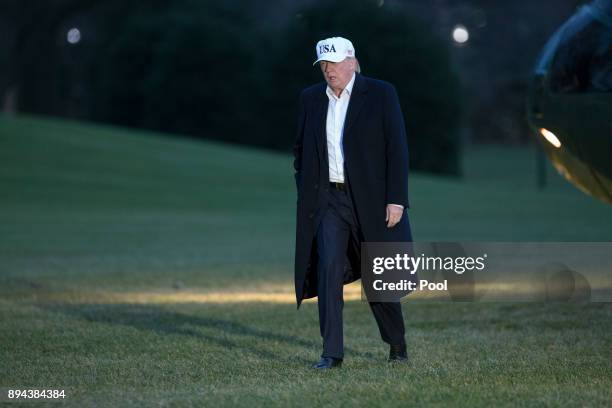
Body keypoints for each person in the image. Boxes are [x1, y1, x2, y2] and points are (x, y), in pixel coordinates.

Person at [293, 36, 413, 369]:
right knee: (328, 271)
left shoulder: (380, 93)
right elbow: (300, 152)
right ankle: (331, 353)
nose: (329, 70)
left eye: (334, 62)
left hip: (371, 202)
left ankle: (396, 343)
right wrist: (307, 191)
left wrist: (396, 200)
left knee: (380, 276)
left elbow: (397, 150)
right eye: (323, 64)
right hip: (328, 201)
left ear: (351, 61)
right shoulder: (310, 99)